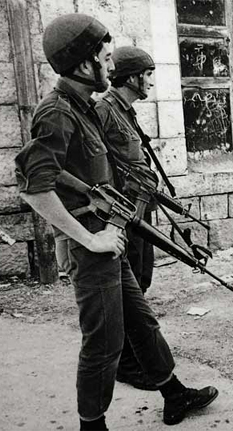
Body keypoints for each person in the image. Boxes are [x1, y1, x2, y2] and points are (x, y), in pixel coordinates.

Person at [14, 14, 218, 430]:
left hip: (112, 238)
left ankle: (173, 392)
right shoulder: (55, 113)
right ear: (84, 63)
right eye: (105, 59)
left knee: (141, 321)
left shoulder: (83, 108)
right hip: (95, 247)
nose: (112, 67)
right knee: (102, 345)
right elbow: (34, 187)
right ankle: (93, 425)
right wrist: (85, 241)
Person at [94, 46, 158, 391]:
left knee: (141, 281)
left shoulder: (126, 111)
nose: (150, 82)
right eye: (147, 75)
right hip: (122, 214)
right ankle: (128, 364)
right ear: (132, 77)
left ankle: (136, 355)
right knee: (127, 288)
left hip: (139, 210)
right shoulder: (104, 110)